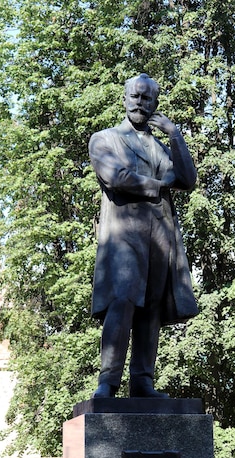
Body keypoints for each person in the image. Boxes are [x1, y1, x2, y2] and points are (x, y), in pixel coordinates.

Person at [89, 73, 198, 399]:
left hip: (159, 235)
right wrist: (160, 186)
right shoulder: (105, 139)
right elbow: (115, 177)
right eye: (135, 96)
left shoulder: (159, 146)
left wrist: (175, 135)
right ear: (124, 99)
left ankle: (142, 382)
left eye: (147, 98)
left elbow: (187, 179)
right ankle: (107, 382)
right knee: (123, 301)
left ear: (154, 104)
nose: (140, 102)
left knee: (151, 309)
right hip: (124, 235)